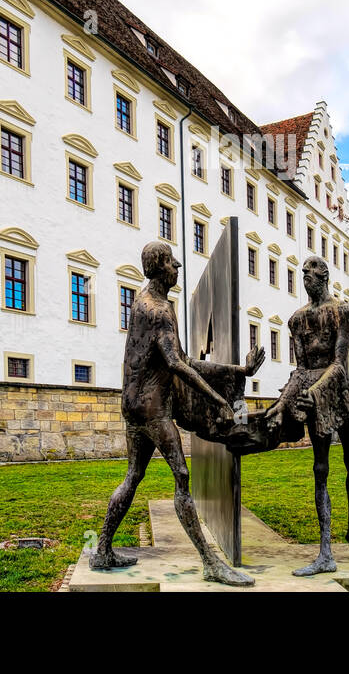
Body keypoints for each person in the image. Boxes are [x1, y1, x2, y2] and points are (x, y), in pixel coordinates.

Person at [90, 241, 256, 586]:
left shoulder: (143, 300)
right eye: (171, 262)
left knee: (134, 475)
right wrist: (220, 400)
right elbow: (178, 364)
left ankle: (103, 548)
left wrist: (237, 371)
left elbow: (184, 360)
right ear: (159, 266)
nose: (177, 266)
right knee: (182, 476)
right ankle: (211, 562)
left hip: (133, 405)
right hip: (153, 408)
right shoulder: (160, 310)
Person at [262, 255, 349, 575]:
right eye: (303, 275)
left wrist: (315, 391)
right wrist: (282, 402)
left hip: (337, 390)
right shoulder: (297, 320)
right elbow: (301, 368)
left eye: (310, 275)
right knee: (320, 468)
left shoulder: (341, 311)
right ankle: (325, 551)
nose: (305, 280)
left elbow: (339, 362)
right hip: (312, 396)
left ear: (324, 277)